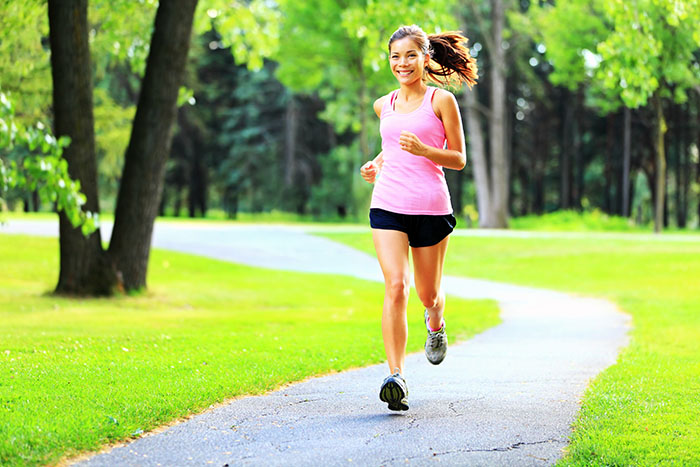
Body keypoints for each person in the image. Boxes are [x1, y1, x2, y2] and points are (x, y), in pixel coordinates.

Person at [359, 24, 477, 411]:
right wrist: (375, 163)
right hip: (388, 204)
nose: (402, 63)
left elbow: (458, 158)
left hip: (430, 207)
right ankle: (396, 376)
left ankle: (436, 321)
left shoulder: (441, 101)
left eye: (410, 55)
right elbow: (391, 147)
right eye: (395, 56)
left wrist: (427, 150)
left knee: (427, 294)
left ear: (426, 58)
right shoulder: (384, 104)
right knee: (396, 285)